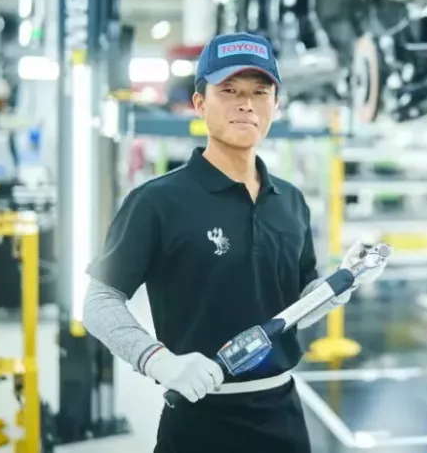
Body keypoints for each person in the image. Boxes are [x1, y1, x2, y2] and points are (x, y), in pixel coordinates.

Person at [81, 32, 389, 452]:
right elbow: (99, 302)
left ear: (275, 106)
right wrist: (160, 361)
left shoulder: (291, 202)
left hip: (284, 421)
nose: (246, 102)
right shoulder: (157, 201)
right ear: (200, 103)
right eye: (229, 90)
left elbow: (298, 306)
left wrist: (345, 280)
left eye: (260, 91)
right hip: (198, 424)